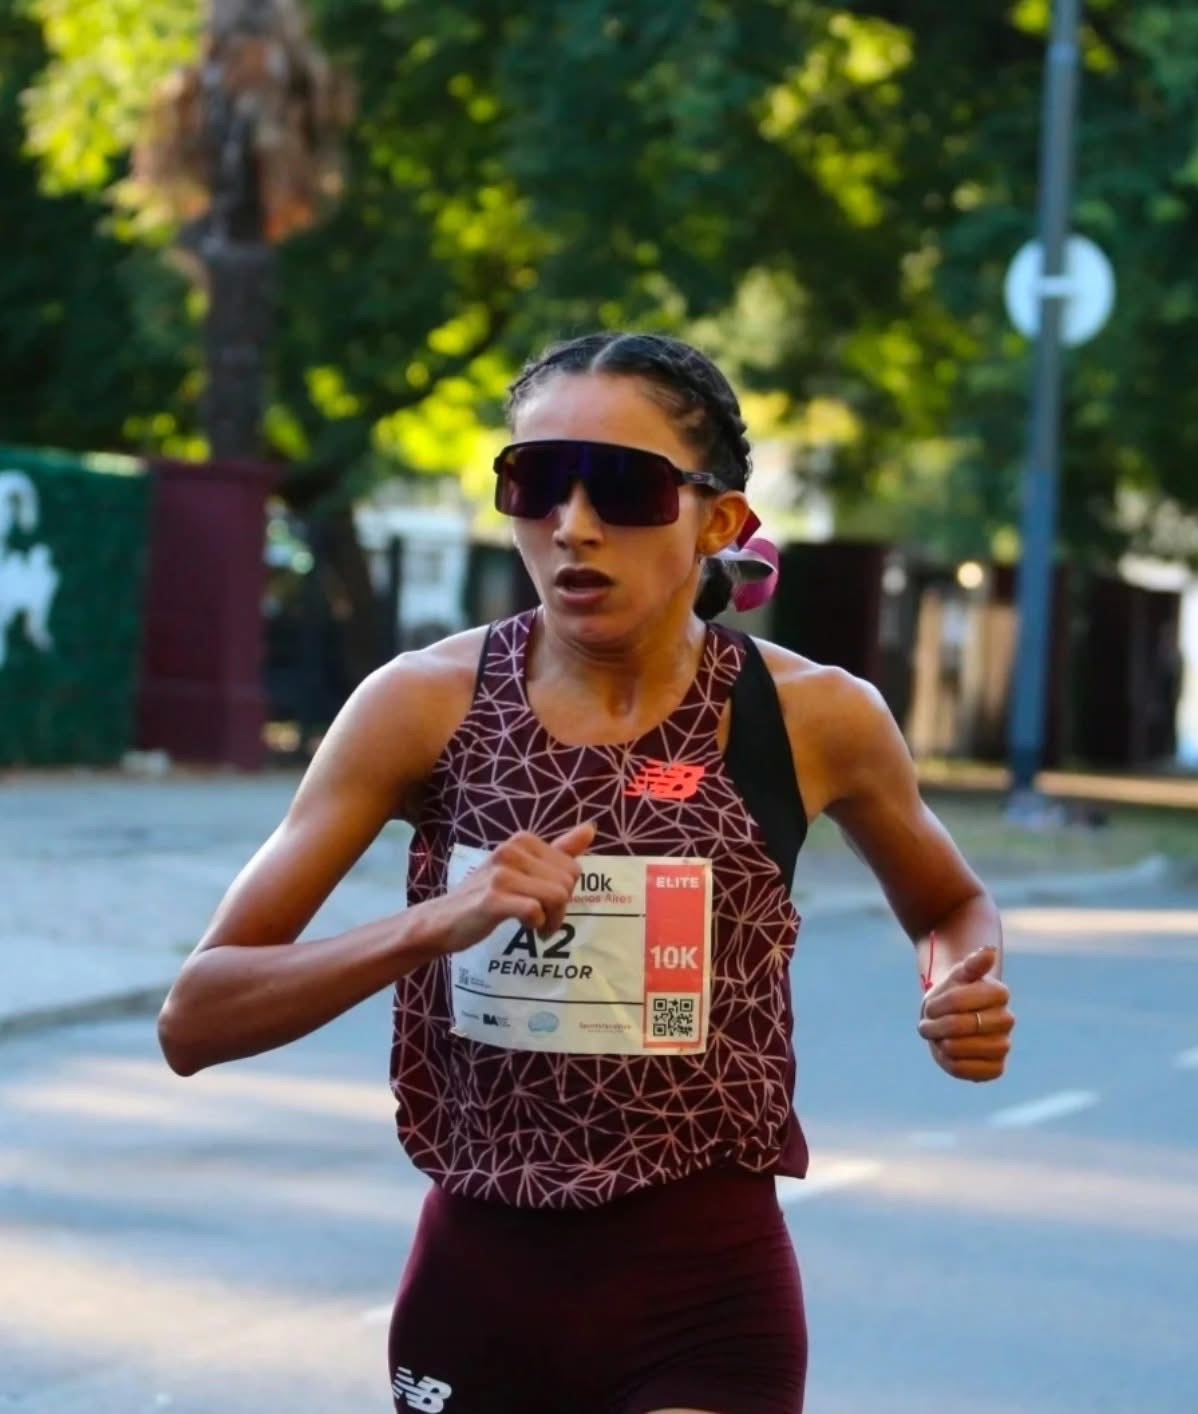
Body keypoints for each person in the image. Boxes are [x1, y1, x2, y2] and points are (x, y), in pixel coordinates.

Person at [157, 331, 1013, 1414]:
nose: (571, 522)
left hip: (701, 1290)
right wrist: (434, 923)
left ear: (720, 520)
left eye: (621, 485)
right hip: (480, 1281)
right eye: (534, 481)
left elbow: (946, 902)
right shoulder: (419, 704)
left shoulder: (813, 716)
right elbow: (195, 1019)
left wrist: (956, 981)